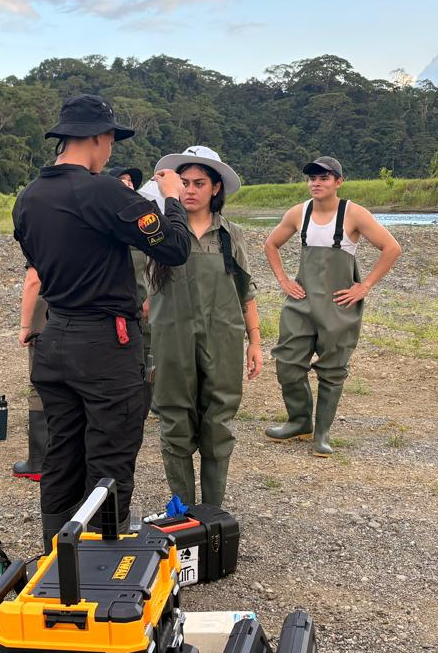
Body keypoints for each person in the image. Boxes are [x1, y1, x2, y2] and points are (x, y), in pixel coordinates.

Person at [13, 94, 192, 547]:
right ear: (99, 137)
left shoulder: (28, 198)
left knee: (62, 450)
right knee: (110, 455)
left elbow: (35, 262)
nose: (111, 151)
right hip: (106, 344)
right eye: (111, 140)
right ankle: (104, 556)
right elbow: (174, 248)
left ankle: (57, 554)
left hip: (55, 336)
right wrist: (172, 198)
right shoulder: (103, 191)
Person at [146, 146, 261, 506]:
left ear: (216, 188)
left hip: (222, 340)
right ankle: (183, 516)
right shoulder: (158, 234)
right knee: (174, 422)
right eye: (184, 183)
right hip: (172, 341)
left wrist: (255, 342)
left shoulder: (230, 235)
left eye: (199, 183)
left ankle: (212, 516)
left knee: (218, 424)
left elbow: (246, 292)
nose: (191, 190)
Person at [263, 157, 400, 456]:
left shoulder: (354, 214)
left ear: (339, 181)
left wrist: (364, 286)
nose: (316, 183)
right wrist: (284, 280)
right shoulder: (298, 213)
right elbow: (271, 244)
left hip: (338, 306)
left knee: (333, 369)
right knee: (287, 363)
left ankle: (322, 433)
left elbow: (392, 248)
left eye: (324, 177)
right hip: (301, 304)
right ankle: (299, 421)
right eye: (312, 178)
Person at [109, 166, 155, 409]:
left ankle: (144, 406)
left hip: (142, 303)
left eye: (130, 181)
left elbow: (158, 261)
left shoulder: (144, 220)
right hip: (111, 307)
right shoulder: (101, 219)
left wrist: (152, 297)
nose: (128, 184)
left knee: (146, 354)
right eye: (121, 179)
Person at [13, 265, 48, 481]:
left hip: (47, 306)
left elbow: (34, 280)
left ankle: (39, 461)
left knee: (40, 383)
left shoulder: (39, 240)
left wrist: (25, 326)